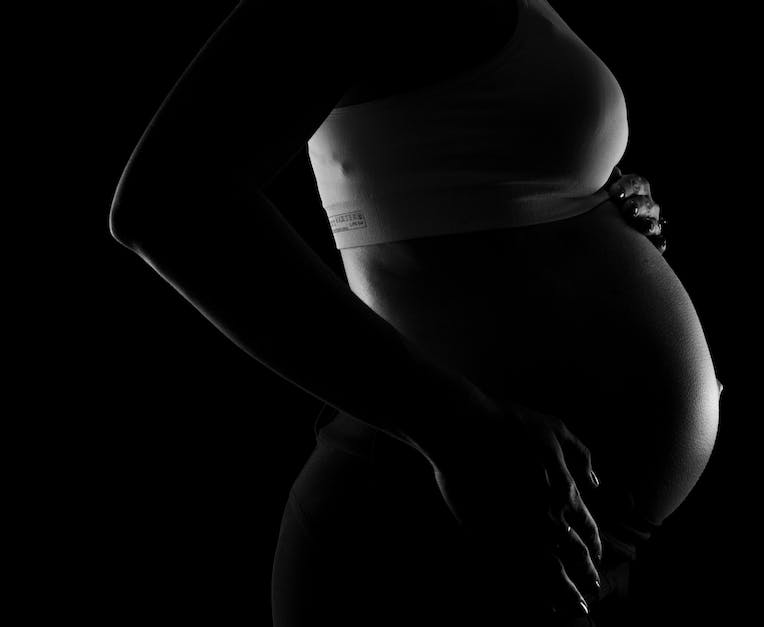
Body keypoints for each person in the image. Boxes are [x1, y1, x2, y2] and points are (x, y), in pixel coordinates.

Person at [108, 1, 722, 625]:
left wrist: (591, 187)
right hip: (429, 518)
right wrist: (457, 430)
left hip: (567, 523)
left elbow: (454, 162)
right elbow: (167, 203)